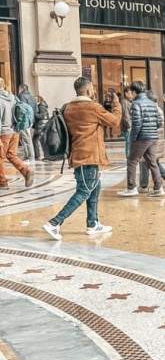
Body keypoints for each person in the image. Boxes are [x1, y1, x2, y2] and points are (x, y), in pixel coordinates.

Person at [42, 77, 120, 239]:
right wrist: (116, 104)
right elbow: (114, 121)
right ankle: (54, 223)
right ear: (88, 89)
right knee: (84, 191)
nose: (94, 90)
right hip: (88, 156)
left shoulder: (68, 108)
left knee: (95, 187)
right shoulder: (93, 107)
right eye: (92, 88)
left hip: (78, 155)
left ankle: (93, 223)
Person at [118, 81, 164, 197]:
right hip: (153, 137)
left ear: (134, 91)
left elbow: (137, 123)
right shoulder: (152, 103)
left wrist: (133, 138)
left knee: (132, 161)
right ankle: (158, 188)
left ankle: (131, 188)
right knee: (152, 162)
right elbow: (159, 121)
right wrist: (152, 129)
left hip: (141, 137)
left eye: (131, 91)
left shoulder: (136, 103)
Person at [139, 90, 165, 194]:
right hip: (156, 140)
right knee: (153, 162)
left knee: (144, 161)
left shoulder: (152, 110)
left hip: (150, 140)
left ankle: (143, 186)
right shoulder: (157, 109)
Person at [0, 78, 33, 190]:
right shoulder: (12, 97)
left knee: (0, 157)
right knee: (11, 155)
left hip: (4, 133)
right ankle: (26, 170)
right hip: (15, 131)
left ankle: (2, 182)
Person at [17, 83, 38, 161]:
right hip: (31, 120)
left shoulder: (21, 96)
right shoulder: (32, 97)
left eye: (19, 88)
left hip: (24, 121)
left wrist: (19, 120)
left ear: (22, 89)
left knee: (26, 139)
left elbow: (21, 109)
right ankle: (28, 156)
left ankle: (30, 157)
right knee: (27, 139)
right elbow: (36, 109)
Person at [34, 95, 49, 160]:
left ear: (39, 100)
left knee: (37, 140)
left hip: (40, 125)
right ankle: (44, 155)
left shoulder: (41, 106)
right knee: (41, 140)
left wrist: (34, 114)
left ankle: (38, 155)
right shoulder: (43, 105)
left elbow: (42, 116)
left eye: (36, 99)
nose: (34, 100)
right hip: (43, 125)